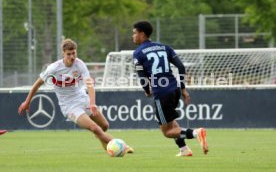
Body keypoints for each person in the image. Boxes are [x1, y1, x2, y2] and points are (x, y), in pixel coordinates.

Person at [18, 38, 133, 154]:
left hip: (83, 99)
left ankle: (103, 140)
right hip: (69, 106)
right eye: (69, 54)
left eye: (74, 53)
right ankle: (123, 146)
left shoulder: (80, 64)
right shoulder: (54, 68)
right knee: (94, 128)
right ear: (63, 54)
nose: (72, 57)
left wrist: (92, 103)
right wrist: (27, 102)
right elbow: (37, 85)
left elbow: (89, 84)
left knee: (104, 126)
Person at [132, 20, 208, 156]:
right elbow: (181, 67)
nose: (133, 36)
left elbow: (142, 77)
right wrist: (183, 89)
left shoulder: (138, 53)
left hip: (161, 93)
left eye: (134, 33)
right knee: (171, 121)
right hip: (175, 89)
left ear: (142, 34)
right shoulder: (165, 47)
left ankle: (196, 133)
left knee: (167, 132)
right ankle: (184, 149)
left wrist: (147, 91)